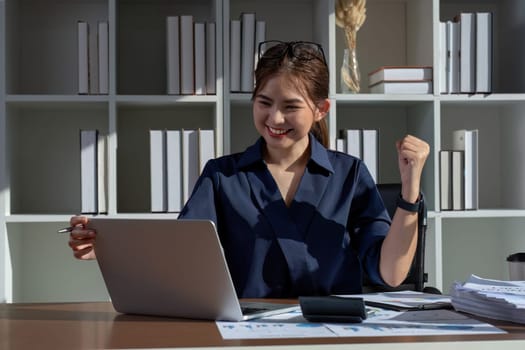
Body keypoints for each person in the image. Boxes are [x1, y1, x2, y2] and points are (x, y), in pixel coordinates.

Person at [69, 40, 430, 298]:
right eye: (264, 102)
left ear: (321, 109)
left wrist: (410, 187)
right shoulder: (221, 176)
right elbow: (181, 263)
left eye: (290, 106)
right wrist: (107, 249)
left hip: (331, 333)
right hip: (245, 334)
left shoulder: (350, 175)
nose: (274, 118)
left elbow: (392, 274)